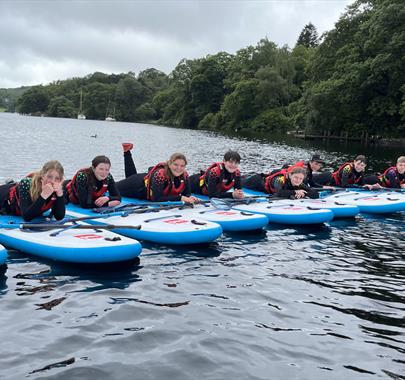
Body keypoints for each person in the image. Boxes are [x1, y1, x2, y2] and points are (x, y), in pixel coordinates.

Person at [116, 143, 199, 203]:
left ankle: (127, 151)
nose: (179, 168)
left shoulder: (185, 176)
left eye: (182, 166)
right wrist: (180, 198)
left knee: (130, 176)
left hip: (146, 180)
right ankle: (126, 152)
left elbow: (187, 194)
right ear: (169, 164)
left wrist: (190, 198)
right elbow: (157, 199)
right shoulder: (160, 175)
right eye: (176, 165)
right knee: (114, 187)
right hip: (137, 185)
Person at [0, 160, 65, 221]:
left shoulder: (57, 188)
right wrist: (44, 195)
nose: (52, 181)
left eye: (57, 178)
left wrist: (60, 194)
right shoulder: (26, 184)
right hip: (3, 200)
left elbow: (59, 216)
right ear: (43, 176)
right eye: (49, 177)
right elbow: (26, 217)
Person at [242, 166, 319, 199]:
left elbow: (315, 194)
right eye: (296, 177)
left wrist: (303, 193)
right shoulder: (280, 179)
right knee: (239, 181)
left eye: (300, 178)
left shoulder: (299, 183)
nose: (298, 180)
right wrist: (295, 191)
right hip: (256, 182)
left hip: (259, 183)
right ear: (290, 175)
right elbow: (279, 192)